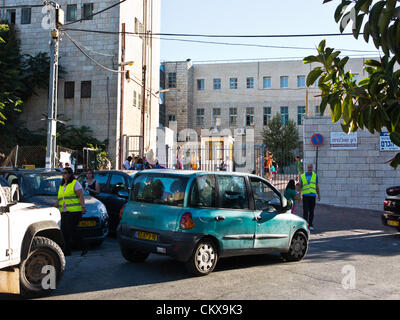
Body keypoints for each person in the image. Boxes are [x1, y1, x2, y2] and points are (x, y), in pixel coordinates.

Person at [55, 167, 88, 256]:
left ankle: (84, 247)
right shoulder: (62, 185)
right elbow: (60, 198)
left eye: (65, 173)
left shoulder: (75, 183)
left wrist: (83, 207)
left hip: (74, 211)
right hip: (64, 211)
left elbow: (81, 196)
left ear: (70, 174)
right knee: (65, 232)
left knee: (72, 231)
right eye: (62, 173)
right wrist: (55, 207)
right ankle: (67, 251)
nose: (63, 174)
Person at [299, 164, 320, 231]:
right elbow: (301, 186)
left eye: (310, 167)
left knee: (311, 211)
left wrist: (318, 194)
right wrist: (300, 194)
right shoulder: (303, 176)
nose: (309, 168)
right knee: (305, 211)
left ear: (312, 168)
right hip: (305, 196)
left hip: (312, 196)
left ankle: (310, 224)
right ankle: (305, 224)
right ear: (307, 168)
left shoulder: (315, 176)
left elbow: (316, 186)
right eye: (308, 167)